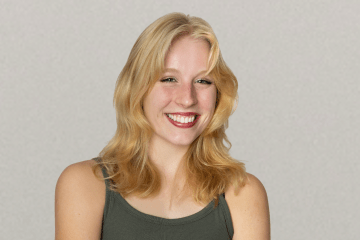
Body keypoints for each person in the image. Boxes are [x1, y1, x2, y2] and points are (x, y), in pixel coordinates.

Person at [55, 12, 270, 240]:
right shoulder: (84, 184)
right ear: (138, 89)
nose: (187, 99)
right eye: (169, 79)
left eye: (203, 81)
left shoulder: (243, 194)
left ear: (218, 95)